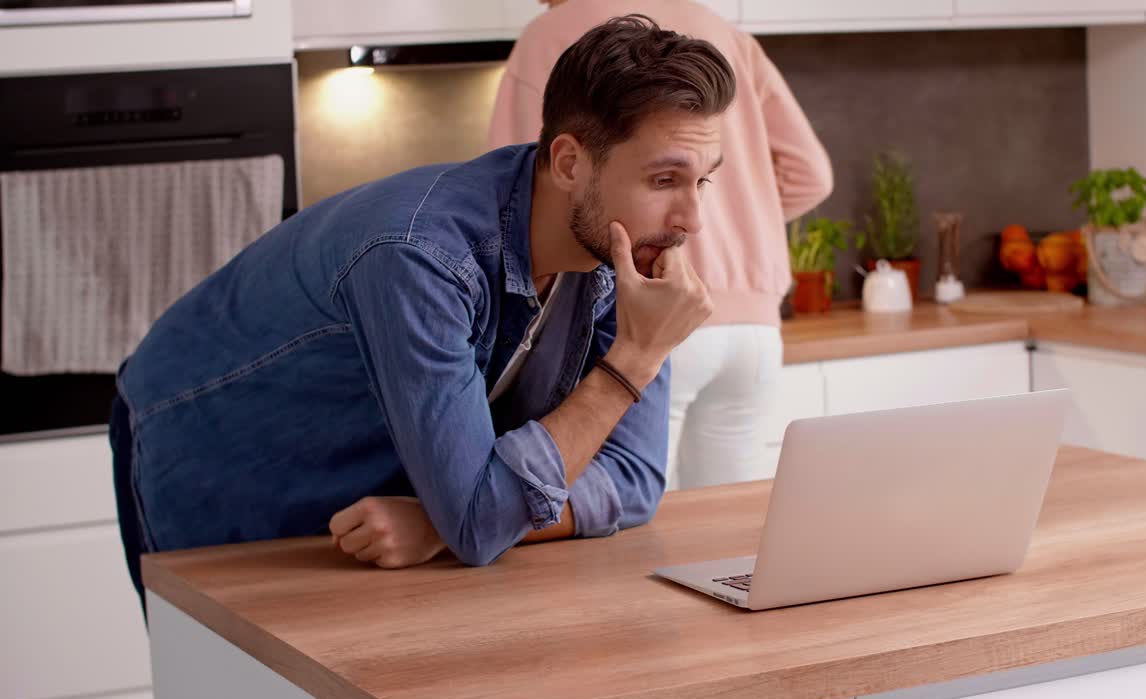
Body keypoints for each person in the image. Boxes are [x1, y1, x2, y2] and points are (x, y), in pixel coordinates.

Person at [109, 15, 735, 609]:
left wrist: (445, 523)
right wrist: (634, 360)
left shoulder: (622, 258)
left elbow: (632, 479)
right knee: (226, 675)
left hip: (381, 497)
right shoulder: (420, 255)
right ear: (570, 163)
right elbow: (481, 522)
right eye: (664, 181)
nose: (692, 221)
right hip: (219, 449)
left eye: (703, 181)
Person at [489, 0, 833, 490]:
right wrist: (739, 227)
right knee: (725, 517)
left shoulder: (550, 36)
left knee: (631, 512)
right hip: (754, 332)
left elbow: (519, 191)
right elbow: (810, 174)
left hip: (640, 318)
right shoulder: (723, 32)